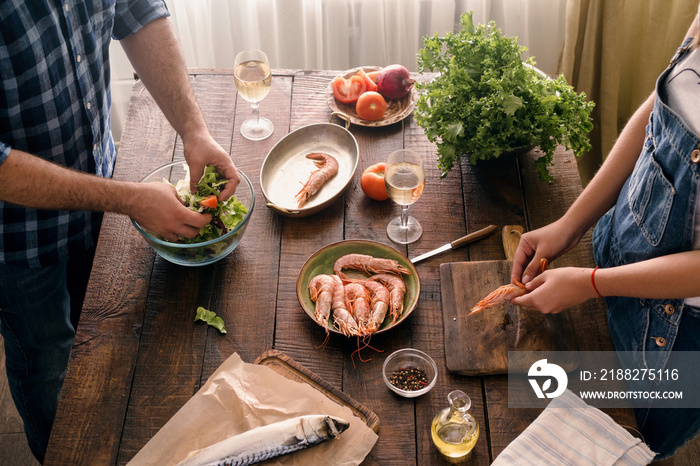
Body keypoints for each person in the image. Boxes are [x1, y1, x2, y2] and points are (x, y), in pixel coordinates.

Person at [0, 1, 239, 462]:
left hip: (98, 187)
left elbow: (138, 12)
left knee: (108, 344)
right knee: (46, 363)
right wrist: (127, 198)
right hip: (16, 239)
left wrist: (194, 130)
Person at [509, 5, 700, 462]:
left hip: (673, 341)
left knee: (614, 447)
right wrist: (569, 225)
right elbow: (660, 107)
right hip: (613, 251)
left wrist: (591, 284)